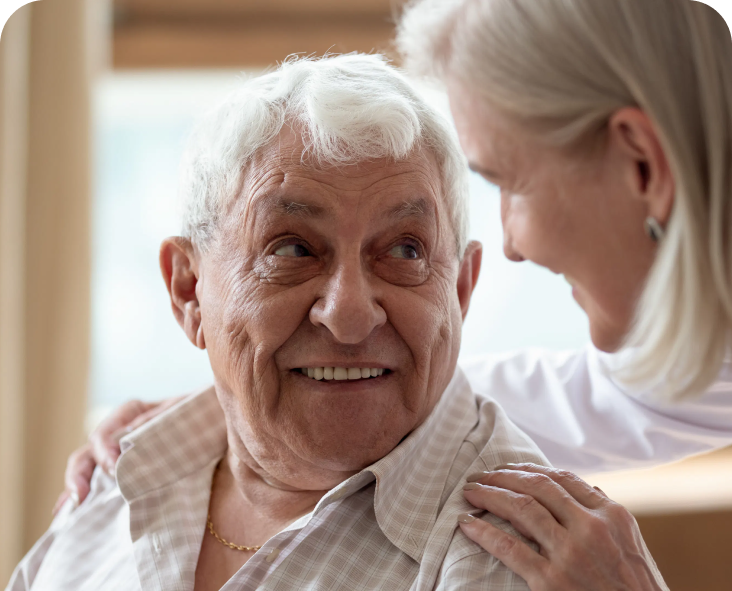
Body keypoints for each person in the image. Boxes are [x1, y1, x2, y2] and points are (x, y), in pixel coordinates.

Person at [59, 1, 732, 589]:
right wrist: (244, 395)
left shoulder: (491, 566)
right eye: (292, 249)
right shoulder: (109, 497)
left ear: (642, 165)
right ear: (186, 288)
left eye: (510, 182)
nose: (513, 246)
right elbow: (620, 397)